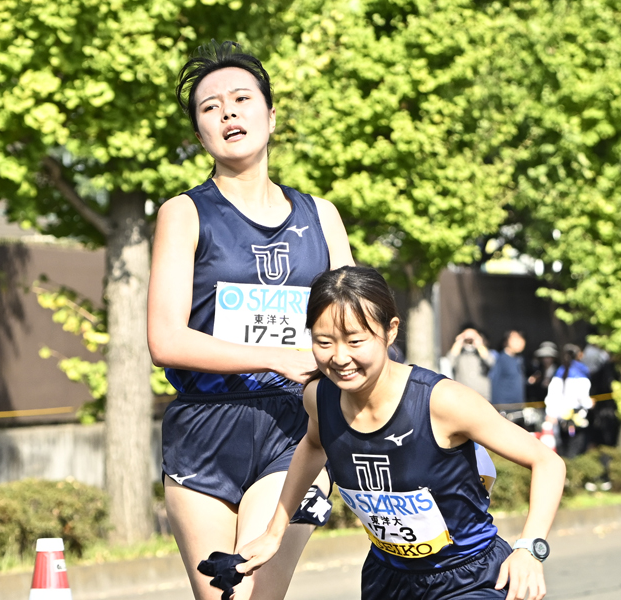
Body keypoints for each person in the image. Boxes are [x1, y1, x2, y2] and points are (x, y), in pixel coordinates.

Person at [146, 40, 355, 600]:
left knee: (258, 592)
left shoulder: (322, 216)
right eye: (210, 107)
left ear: (270, 115)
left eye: (241, 98)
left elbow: (354, 326)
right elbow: (165, 340)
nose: (228, 112)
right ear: (200, 135)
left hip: (296, 427)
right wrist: (275, 356)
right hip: (204, 428)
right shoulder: (183, 213)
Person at [237, 266, 566, 600]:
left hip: (470, 578)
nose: (339, 358)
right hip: (388, 579)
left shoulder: (442, 401)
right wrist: (273, 533)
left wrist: (529, 548)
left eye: (355, 341)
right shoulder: (319, 398)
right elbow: (312, 445)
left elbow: (547, 462)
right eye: (324, 342)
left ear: (390, 331)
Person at [543, 344, 592, 458]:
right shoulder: (582, 373)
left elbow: (552, 395)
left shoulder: (559, 372)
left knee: (562, 449)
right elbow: (584, 400)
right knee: (575, 451)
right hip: (577, 418)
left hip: (561, 418)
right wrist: (590, 403)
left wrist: (550, 412)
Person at [444, 324, 496, 400]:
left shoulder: (482, 353)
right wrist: (458, 342)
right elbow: (447, 364)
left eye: (472, 338)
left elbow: (492, 362)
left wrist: (479, 344)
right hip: (462, 396)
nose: (469, 340)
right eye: (467, 338)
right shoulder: (459, 355)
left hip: (483, 397)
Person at [490, 330, 528, 425]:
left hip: (518, 410)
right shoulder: (502, 359)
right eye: (515, 339)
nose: (520, 342)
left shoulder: (519, 359)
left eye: (521, 339)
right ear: (506, 341)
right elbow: (494, 382)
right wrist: (498, 408)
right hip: (505, 411)